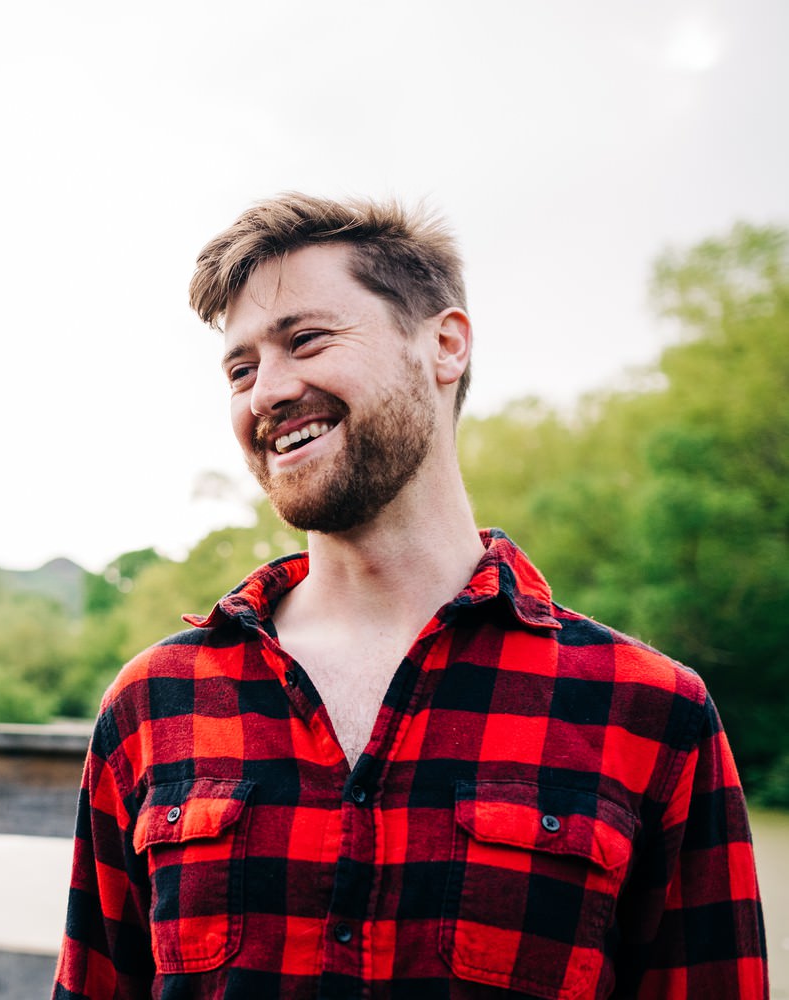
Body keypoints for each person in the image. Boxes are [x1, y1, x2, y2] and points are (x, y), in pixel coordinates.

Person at [53, 194, 768, 999]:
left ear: (445, 345)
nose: (266, 393)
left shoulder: (651, 711)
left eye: (306, 339)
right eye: (240, 369)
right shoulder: (153, 706)